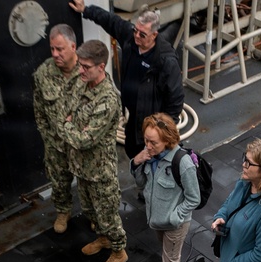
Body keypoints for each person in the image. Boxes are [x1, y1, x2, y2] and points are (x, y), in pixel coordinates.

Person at [69, 0, 184, 159]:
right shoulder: (131, 39)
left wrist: (162, 134)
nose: (136, 36)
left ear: (154, 35)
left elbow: (175, 100)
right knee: (133, 152)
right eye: (136, 30)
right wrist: (86, 10)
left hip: (152, 123)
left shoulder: (166, 61)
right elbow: (111, 21)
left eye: (142, 34)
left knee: (151, 160)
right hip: (133, 117)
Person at [64, 40, 129, 262]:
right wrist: (72, 124)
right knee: (90, 210)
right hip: (82, 167)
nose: (80, 70)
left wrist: (66, 126)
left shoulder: (108, 99)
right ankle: (103, 238)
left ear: (101, 67)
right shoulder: (85, 84)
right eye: (80, 65)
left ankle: (119, 251)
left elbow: (85, 139)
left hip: (100, 170)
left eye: (86, 66)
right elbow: (69, 108)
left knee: (108, 214)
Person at [132, 113, 199, 262]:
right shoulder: (149, 156)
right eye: (146, 140)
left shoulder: (182, 163)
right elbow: (141, 183)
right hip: (156, 219)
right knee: (167, 255)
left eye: (153, 142)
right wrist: (137, 162)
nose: (148, 146)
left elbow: (193, 198)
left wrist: (174, 217)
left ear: (168, 140)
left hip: (173, 223)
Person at [34, 24, 80, 235]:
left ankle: (95, 217)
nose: (55, 54)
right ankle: (63, 212)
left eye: (60, 49)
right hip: (56, 143)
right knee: (59, 181)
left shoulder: (87, 70)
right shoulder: (44, 73)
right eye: (52, 49)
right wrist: (48, 137)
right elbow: (39, 109)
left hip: (82, 143)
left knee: (90, 185)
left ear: (73, 46)